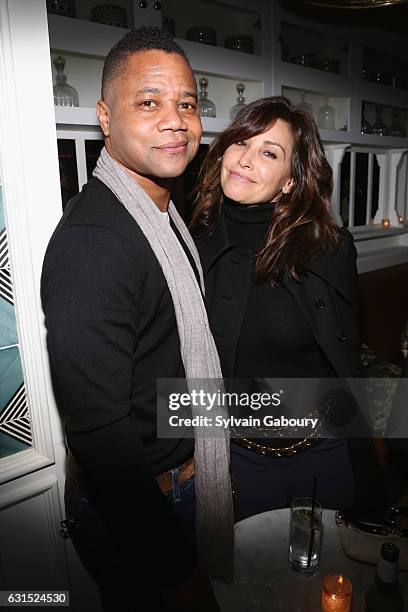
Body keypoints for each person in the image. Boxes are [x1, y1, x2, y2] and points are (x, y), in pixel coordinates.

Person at [41, 27, 232, 612]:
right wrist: (174, 567)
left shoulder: (162, 215)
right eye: (149, 103)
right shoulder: (96, 241)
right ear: (105, 116)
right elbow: (99, 433)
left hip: (178, 484)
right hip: (141, 506)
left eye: (187, 104)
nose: (175, 120)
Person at [191, 96, 385, 522]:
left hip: (322, 454)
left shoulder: (328, 250)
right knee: (245, 584)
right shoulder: (192, 243)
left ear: (290, 182)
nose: (244, 160)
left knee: (331, 580)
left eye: (268, 153)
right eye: (240, 143)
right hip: (237, 460)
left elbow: (346, 358)